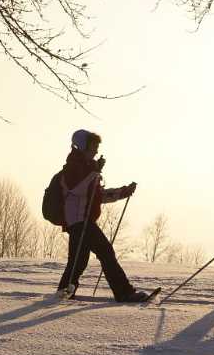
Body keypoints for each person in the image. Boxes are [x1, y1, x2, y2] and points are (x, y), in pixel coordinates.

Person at [56, 129, 154, 302]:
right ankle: (124, 292)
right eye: (93, 147)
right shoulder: (72, 167)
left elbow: (97, 195)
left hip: (82, 221)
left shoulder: (87, 168)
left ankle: (64, 290)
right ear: (82, 147)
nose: (95, 151)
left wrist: (123, 192)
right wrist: (95, 171)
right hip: (79, 221)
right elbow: (76, 188)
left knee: (78, 260)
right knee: (106, 252)